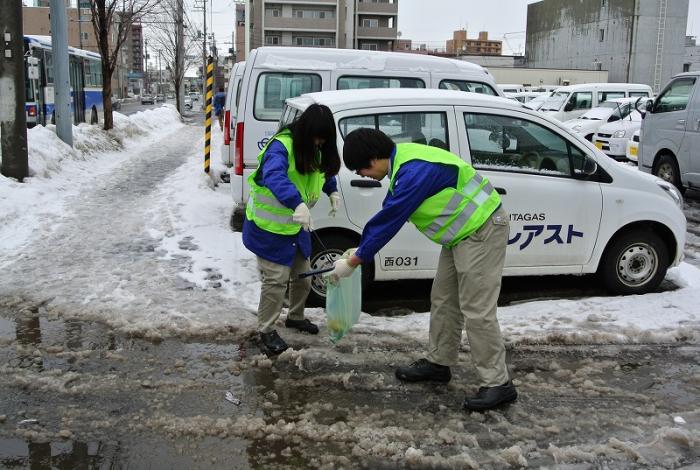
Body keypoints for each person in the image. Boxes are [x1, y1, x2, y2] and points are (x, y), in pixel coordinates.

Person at [327, 128, 516, 411]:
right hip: (460, 237)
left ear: (376, 158)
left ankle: (498, 384)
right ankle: (439, 363)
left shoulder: (413, 172)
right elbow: (387, 214)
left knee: (477, 310)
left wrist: (355, 261)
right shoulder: (403, 165)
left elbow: (389, 218)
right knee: (443, 300)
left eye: (363, 168)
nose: (363, 175)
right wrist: (358, 251)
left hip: (482, 231)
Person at [243, 104, 341, 355]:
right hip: (269, 228)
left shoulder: (314, 147)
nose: (320, 143)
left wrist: (332, 191)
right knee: (275, 281)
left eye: (324, 139)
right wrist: (296, 202)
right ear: (306, 131)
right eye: (317, 137)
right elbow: (274, 175)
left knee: (303, 275)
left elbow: (322, 172)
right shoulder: (281, 146)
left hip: (297, 227)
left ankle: (295, 317)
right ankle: (266, 330)